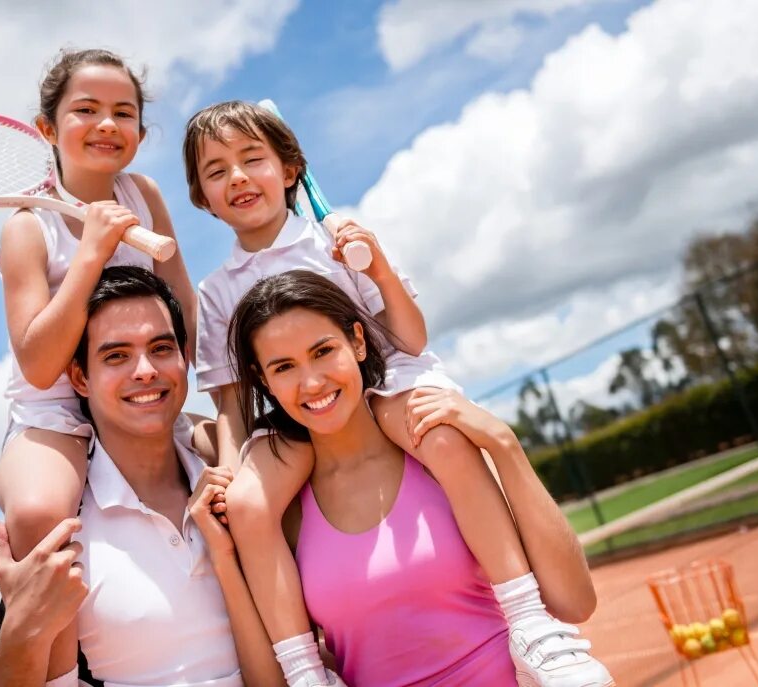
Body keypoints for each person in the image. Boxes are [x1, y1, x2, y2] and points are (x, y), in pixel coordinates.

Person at [183, 101, 612, 686]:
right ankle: (306, 672)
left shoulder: (341, 244)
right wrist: (233, 473)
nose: (236, 177)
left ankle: (529, 621)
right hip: (287, 423)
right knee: (251, 506)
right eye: (216, 170)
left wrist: (378, 268)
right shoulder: (215, 293)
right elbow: (231, 405)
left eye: (252, 158)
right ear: (201, 197)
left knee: (441, 436)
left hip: (386, 388)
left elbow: (409, 338)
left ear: (289, 171)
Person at [228, 270, 613, 686]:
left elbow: (574, 602)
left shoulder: (435, 453)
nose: (312, 381)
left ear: (357, 341)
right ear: (264, 380)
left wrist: (504, 444)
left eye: (323, 351)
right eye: (284, 367)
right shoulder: (284, 512)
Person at [0, 266, 284, 687]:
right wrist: (24, 630)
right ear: (80, 378)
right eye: (116, 356)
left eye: (161, 348)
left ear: (184, 356)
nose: (145, 370)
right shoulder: (46, 521)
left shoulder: (237, 473)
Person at [0, 48, 196, 680]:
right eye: (87, 110)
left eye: (124, 113)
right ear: (48, 129)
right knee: (36, 515)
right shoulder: (29, 228)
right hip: (56, 412)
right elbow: (37, 362)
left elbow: (182, 312)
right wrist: (90, 258)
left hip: (140, 403)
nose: (108, 124)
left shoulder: (145, 195)